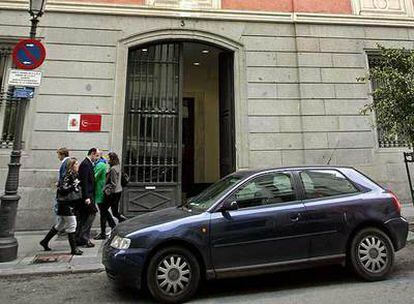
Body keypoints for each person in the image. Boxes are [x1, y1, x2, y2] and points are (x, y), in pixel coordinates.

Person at [39, 157, 83, 255]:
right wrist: (73, 186)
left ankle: (44, 241)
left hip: (68, 203)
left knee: (60, 224)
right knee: (72, 225)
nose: (77, 165)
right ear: (71, 166)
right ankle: (74, 249)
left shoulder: (74, 174)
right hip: (66, 204)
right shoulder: (68, 175)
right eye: (76, 164)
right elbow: (63, 189)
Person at [95, 152, 126, 240]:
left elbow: (113, 183)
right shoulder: (118, 167)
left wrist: (106, 190)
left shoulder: (112, 169)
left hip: (113, 194)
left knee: (103, 212)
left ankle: (103, 233)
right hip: (118, 192)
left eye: (108, 158)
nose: (106, 159)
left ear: (111, 159)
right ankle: (124, 223)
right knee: (115, 212)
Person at [76, 148, 100, 247]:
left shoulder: (88, 163)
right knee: (92, 213)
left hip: (89, 195)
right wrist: (86, 197)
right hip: (88, 196)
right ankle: (84, 237)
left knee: (84, 217)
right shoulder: (86, 164)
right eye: (97, 156)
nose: (97, 158)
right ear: (92, 154)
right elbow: (84, 182)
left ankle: (79, 238)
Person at [93, 153, 109, 239]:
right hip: (100, 191)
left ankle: (103, 233)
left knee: (103, 212)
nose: (94, 157)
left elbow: (94, 177)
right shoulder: (99, 164)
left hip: (100, 191)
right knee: (104, 211)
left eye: (96, 155)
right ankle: (113, 227)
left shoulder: (100, 165)